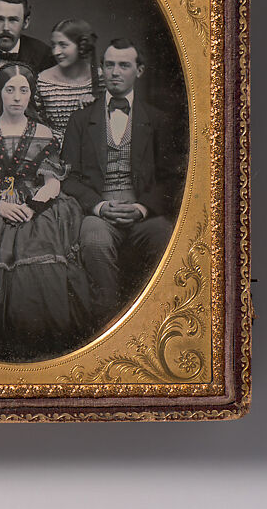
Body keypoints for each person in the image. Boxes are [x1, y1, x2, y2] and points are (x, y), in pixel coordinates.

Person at [0, 62, 90, 361]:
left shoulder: (44, 134)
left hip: (37, 205)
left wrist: (31, 207)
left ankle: (41, 343)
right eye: (9, 90)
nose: (17, 97)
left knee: (39, 241)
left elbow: (52, 183)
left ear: (31, 94)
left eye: (24, 90)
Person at [61, 39, 183, 332]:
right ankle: (108, 327)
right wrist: (100, 206)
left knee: (166, 236)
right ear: (101, 69)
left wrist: (142, 208)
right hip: (99, 213)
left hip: (143, 213)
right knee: (93, 239)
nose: (115, 72)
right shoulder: (79, 120)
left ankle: (157, 326)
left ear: (139, 71)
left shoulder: (158, 120)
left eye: (124, 65)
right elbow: (69, 178)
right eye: (109, 64)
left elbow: (169, 178)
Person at [37, 18, 104, 144]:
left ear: (81, 47)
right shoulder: (42, 81)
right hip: (53, 152)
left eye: (63, 45)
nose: (56, 52)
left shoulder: (102, 79)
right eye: (53, 45)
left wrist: (95, 106)